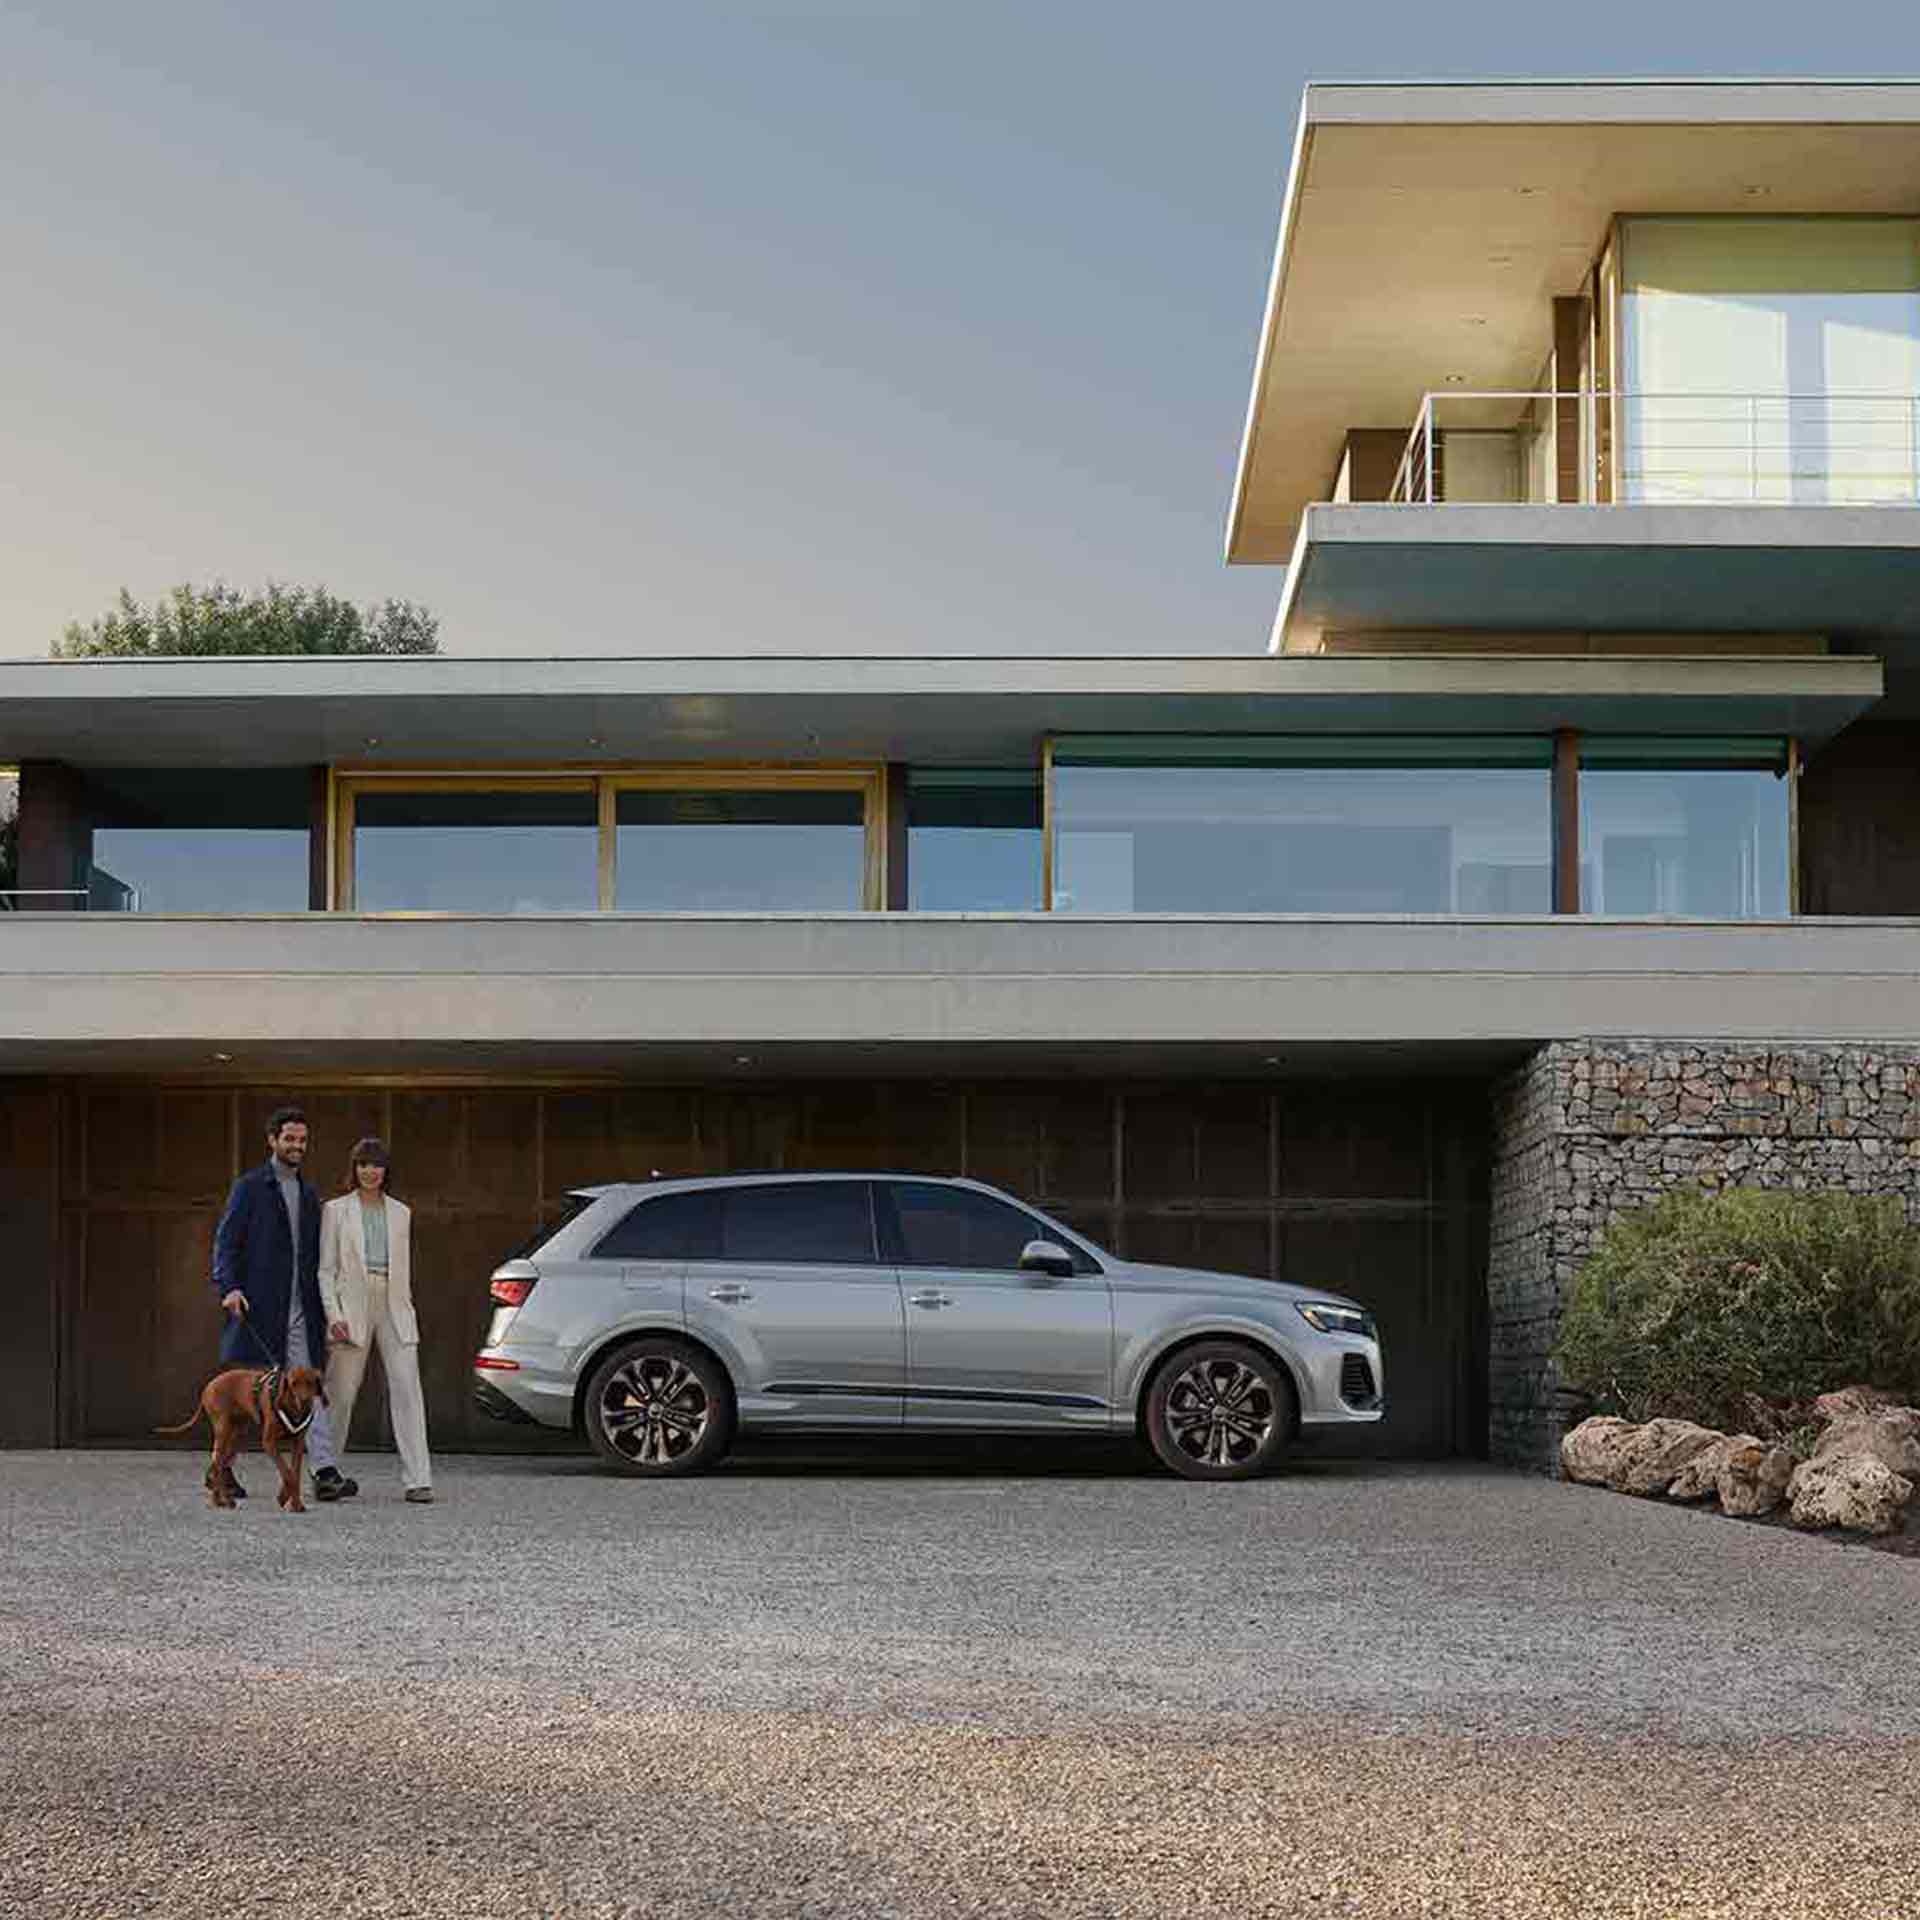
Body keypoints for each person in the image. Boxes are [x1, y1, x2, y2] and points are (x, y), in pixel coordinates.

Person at [211, 1106, 357, 1503]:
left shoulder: (309, 1194)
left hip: (301, 1311)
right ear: (273, 1140)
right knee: (247, 1397)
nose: (297, 1146)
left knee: (308, 1387)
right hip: (258, 1307)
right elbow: (226, 1242)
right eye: (289, 1138)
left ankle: (324, 1471)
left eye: (302, 1140)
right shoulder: (249, 1187)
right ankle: (220, 1471)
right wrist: (229, 1286)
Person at [319, 1137, 434, 1504]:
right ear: (354, 1169)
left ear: (386, 1170)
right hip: (351, 1305)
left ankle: (418, 1480)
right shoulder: (335, 1210)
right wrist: (334, 1315)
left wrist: (407, 1307)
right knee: (341, 1392)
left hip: (394, 1305)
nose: (370, 1172)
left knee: (407, 1389)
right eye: (363, 1164)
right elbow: (325, 1270)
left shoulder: (402, 1212)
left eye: (376, 1165)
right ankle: (323, 1472)